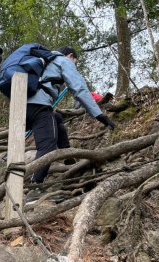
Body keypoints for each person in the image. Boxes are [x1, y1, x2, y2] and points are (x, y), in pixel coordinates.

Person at [26, 46, 115, 189]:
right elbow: (79, 88)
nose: (74, 64)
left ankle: (68, 155)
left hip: (22, 105)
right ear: (71, 56)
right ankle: (35, 186)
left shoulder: (44, 61)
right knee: (47, 147)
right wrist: (100, 115)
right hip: (38, 106)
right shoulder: (63, 60)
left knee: (57, 118)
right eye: (75, 61)